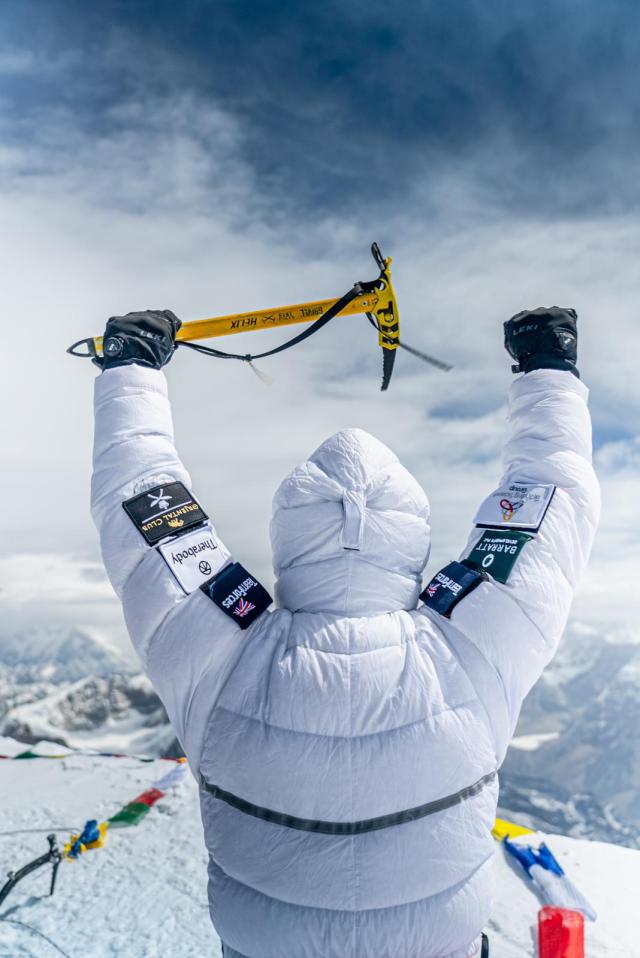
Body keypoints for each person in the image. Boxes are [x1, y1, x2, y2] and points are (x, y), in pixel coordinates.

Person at [90, 306, 599, 958]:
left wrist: (131, 366)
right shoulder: (471, 643)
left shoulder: (221, 649)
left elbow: (142, 506)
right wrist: (547, 366)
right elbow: (552, 502)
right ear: (411, 540)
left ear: (287, 538)